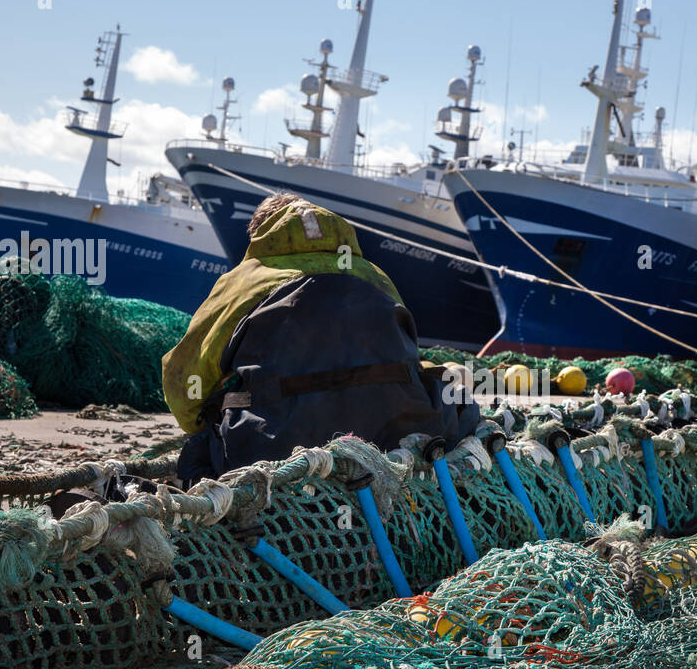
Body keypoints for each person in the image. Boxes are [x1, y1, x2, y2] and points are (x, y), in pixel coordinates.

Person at [163, 192, 480, 482]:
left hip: (276, 451)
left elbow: (184, 384)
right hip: (399, 434)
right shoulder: (375, 276)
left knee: (208, 430)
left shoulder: (243, 282)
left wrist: (208, 419)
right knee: (454, 394)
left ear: (259, 235)